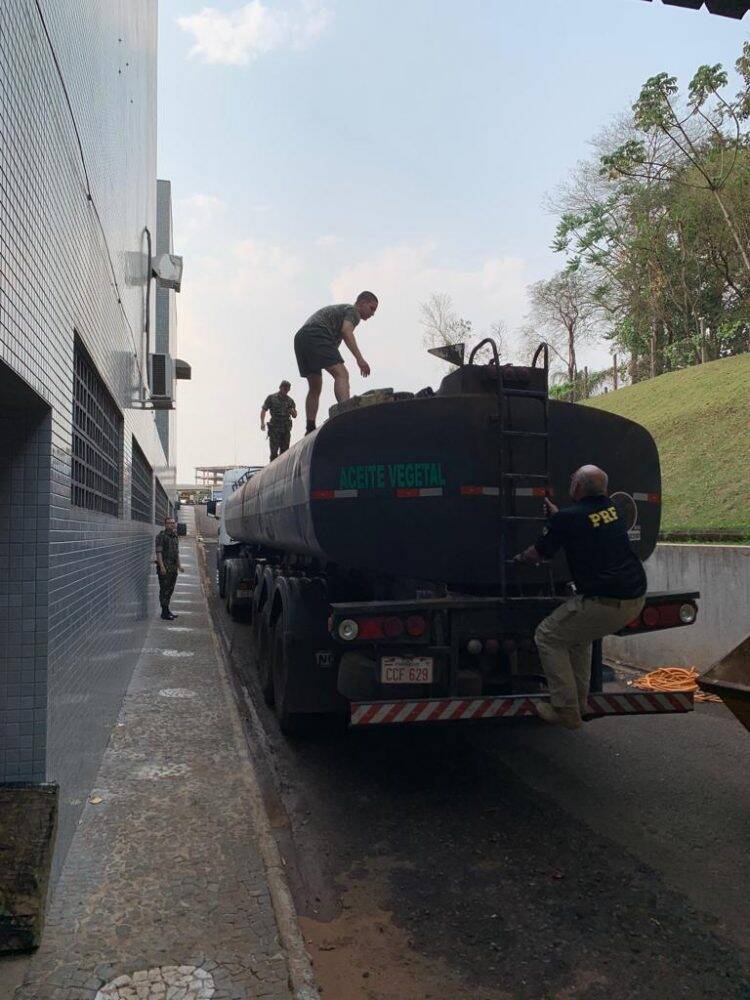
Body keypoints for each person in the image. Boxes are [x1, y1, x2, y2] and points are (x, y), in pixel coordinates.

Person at [514, 465, 647, 730]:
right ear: (605, 490)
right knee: (578, 639)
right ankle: (579, 702)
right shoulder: (612, 509)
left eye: (573, 480)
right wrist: (560, 517)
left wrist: (519, 559)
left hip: (602, 602)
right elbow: (586, 521)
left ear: (576, 488)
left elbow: (540, 552)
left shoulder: (569, 519)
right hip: (634, 597)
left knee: (548, 636)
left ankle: (564, 709)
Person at [293, 291, 378, 433]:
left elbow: (332, 348)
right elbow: (346, 332)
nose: (373, 313)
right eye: (372, 308)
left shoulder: (338, 316)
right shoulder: (353, 312)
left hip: (301, 338)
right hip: (316, 333)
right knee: (342, 374)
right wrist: (360, 359)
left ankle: (310, 427)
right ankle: (345, 414)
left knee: (315, 386)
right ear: (362, 303)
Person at [260, 380, 297, 460]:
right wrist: (262, 423)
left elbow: (295, 415)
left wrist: (291, 411)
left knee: (285, 452)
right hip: (275, 429)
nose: (286, 391)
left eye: (288, 389)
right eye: (284, 388)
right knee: (274, 453)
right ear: (280, 388)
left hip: (286, 429)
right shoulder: (271, 398)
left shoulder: (290, 401)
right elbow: (263, 410)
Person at [155, 515, 182, 620]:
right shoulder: (161, 536)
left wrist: (179, 565)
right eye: (170, 523)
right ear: (165, 524)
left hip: (173, 568)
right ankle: (164, 612)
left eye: (173, 523)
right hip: (165, 568)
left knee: (170, 589)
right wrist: (161, 566)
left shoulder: (175, 536)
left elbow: (177, 553)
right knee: (164, 590)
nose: (172, 524)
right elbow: (158, 552)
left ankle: (167, 610)